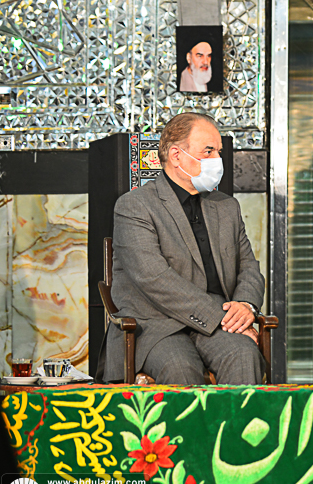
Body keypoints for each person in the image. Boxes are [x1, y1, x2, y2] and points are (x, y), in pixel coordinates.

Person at [101, 112, 266, 384]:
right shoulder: (134, 206)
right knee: (180, 366)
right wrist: (222, 318)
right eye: (208, 151)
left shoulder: (226, 207)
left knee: (244, 354)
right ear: (176, 156)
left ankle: (239, 417)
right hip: (156, 325)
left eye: (219, 152)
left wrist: (245, 306)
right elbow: (155, 279)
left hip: (219, 323)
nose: (217, 159)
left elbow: (248, 266)